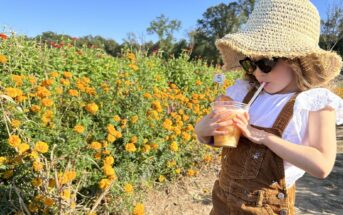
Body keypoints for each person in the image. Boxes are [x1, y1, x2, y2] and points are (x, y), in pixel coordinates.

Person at [194, 0, 343, 214]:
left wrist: (262, 137)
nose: (256, 72)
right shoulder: (243, 92)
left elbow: (322, 166)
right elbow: (213, 139)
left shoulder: (315, 102)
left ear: (296, 60)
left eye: (265, 63)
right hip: (221, 202)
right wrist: (204, 130)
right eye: (250, 63)